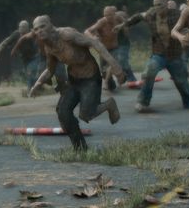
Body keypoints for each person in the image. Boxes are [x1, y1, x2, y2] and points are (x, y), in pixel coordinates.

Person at [26, 15, 125, 151]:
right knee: (63, 113)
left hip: (90, 78)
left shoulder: (67, 34)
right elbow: (50, 69)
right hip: (73, 80)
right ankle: (80, 149)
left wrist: (115, 66)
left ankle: (109, 105)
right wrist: (37, 84)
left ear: (50, 25)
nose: (40, 31)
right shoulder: (48, 47)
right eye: (36, 29)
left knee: (86, 114)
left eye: (43, 26)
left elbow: (95, 43)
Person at [121, 0, 189, 112]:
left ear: (166, 4)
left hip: (174, 54)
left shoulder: (176, 15)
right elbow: (138, 16)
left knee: (181, 81)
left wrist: (187, 36)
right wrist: (123, 24)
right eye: (155, 5)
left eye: (160, 4)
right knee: (149, 73)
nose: (157, 7)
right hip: (158, 53)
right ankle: (143, 102)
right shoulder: (151, 14)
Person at [85, 5, 137, 90]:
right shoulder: (102, 22)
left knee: (113, 62)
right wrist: (93, 37)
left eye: (110, 15)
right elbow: (87, 31)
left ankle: (119, 79)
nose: (108, 17)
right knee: (104, 72)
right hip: (104, 49)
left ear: (114, 14)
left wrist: (123, 27)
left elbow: (127, 25)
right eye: (106, 15)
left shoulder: (119, 18)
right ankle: (112, 83)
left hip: (115, 48)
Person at [0, 20, 44, 90]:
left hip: (35, 57)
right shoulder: (16, 34)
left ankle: (30, 91)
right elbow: (4, 43)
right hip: (24, 59)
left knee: (31, 71)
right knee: (30, 75)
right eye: (20, 27)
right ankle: (38, 88)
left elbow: (43, 40)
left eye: (23, 27)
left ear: (27, 28)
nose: (21, 29)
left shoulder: (33, 33)